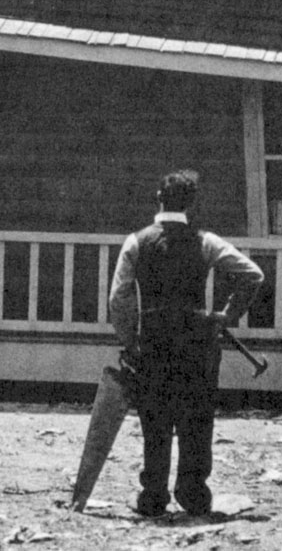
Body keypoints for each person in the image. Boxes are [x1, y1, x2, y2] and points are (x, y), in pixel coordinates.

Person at [108, 168, 264, 518]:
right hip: (197, 341)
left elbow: (119, 298)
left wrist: (130, 340)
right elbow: (253, 275)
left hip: (154, 340)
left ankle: (153, 497)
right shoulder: (206, 241)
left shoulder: (136, 242)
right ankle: (193, 496)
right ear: (190, 204)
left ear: (158, 199)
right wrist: (228, 314)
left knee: (156, 420)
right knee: (197, 419)